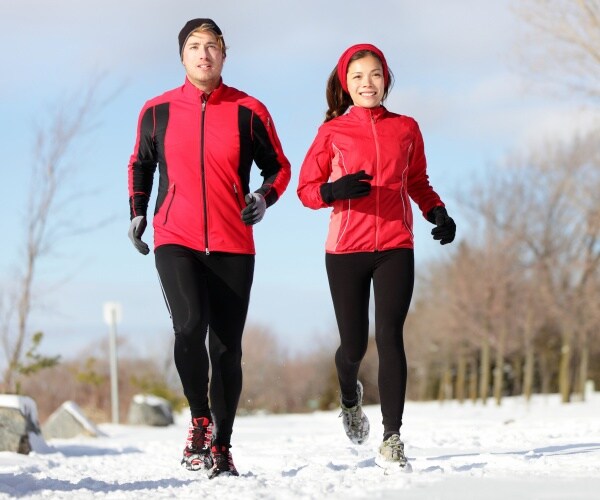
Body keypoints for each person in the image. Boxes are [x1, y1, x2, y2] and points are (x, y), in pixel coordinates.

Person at [127, 18, 291, 479]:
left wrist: (263, 198)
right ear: (182, 55)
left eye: (212, 46)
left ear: (224, 53)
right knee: (189, 326)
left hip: (233, 242)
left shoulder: (248, 110)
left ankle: (222, 444)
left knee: (226, 349)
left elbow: (278, 167)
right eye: (195, 46)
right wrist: (138, 211)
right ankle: (199, 419)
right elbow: (141, 164)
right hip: (173, 237)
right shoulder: (156, 110)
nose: (204, 54)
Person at [297, 43, 455, 472]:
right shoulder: (332, 133)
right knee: (353, 344)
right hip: (345, 248)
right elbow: (306, 190)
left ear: (386, 79)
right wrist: (333, 191)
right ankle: (350, 396)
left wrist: (436, 210)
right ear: (345, 86)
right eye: (357, 77)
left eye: (375, 75)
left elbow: (418, 181)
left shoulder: (406, 128)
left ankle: (392, 438)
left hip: (395, 246)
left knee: (389, 335)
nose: (367, 83)